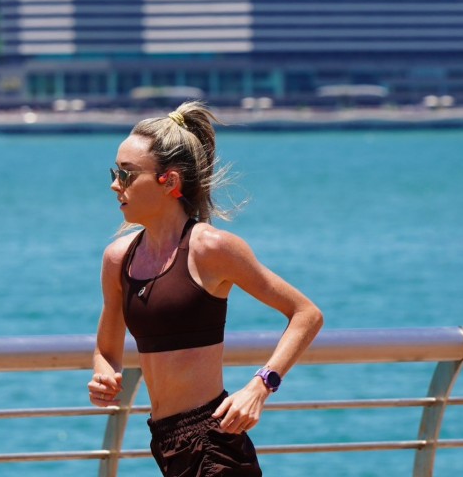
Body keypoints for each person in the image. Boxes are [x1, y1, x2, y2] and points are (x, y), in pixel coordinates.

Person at [88, 101, 323, 475]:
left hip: (214, 441)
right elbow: (106, 348)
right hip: (163, 441)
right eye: (115, 172)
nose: (115, 184)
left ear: (170, 181)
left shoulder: (211, 248)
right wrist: (103, 374)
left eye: (128, 174)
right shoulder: (118, 258)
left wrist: (261, 386)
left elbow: (306, 314)